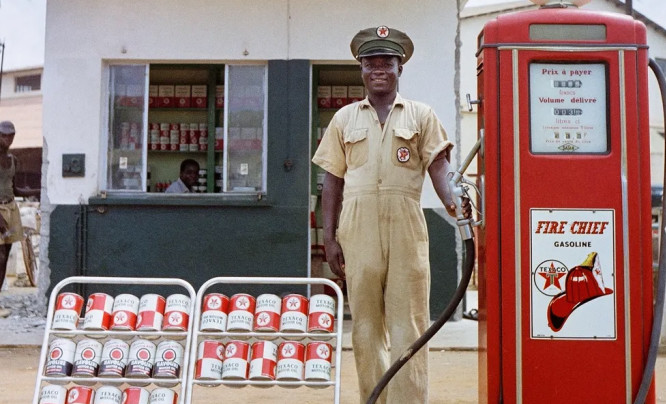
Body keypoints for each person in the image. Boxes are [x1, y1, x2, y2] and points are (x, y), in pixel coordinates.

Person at [312, 26, 471, 403]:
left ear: (401, 69)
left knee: (410, 326)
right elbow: (331, 182)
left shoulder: (421, 116)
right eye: (371, 63)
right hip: (357, 229)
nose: (379, 69)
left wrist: (456, 204)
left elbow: (439, 168)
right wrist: (329, 237)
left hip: (406, 228)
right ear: (361, 70)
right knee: (365, 328)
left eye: (388, 62)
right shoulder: (344, 119)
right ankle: (375, 399)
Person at [0, 121, 40, 317]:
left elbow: (16, 190)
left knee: (5, 257)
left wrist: (40, 190)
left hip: (11, 207)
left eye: (11, 136)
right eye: (4, 135)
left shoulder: (12, 160)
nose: (7, 139)